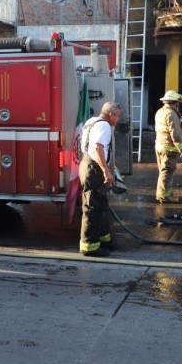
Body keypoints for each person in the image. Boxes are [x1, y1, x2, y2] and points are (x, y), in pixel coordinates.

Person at [78, 102, 122, 257]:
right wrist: (106, 170)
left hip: (87, 165)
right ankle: (89, 247)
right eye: (117, 116)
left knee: (101, 205)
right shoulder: (104, 126)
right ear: (111, 115)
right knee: (93, 209)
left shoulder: (91, 122)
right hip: (94, 169)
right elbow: (98, 147)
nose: (118, 120)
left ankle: (105, 241)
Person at [154, 90, 182, 203]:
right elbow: (176, 134)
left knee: (163, 172)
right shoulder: (171, 114)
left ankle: (165, 193)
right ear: (176, 103)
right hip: (168, 149)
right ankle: (163, 196)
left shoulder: (160, 112)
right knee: (167, 172)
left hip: (159, 146)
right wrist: (181, 148)